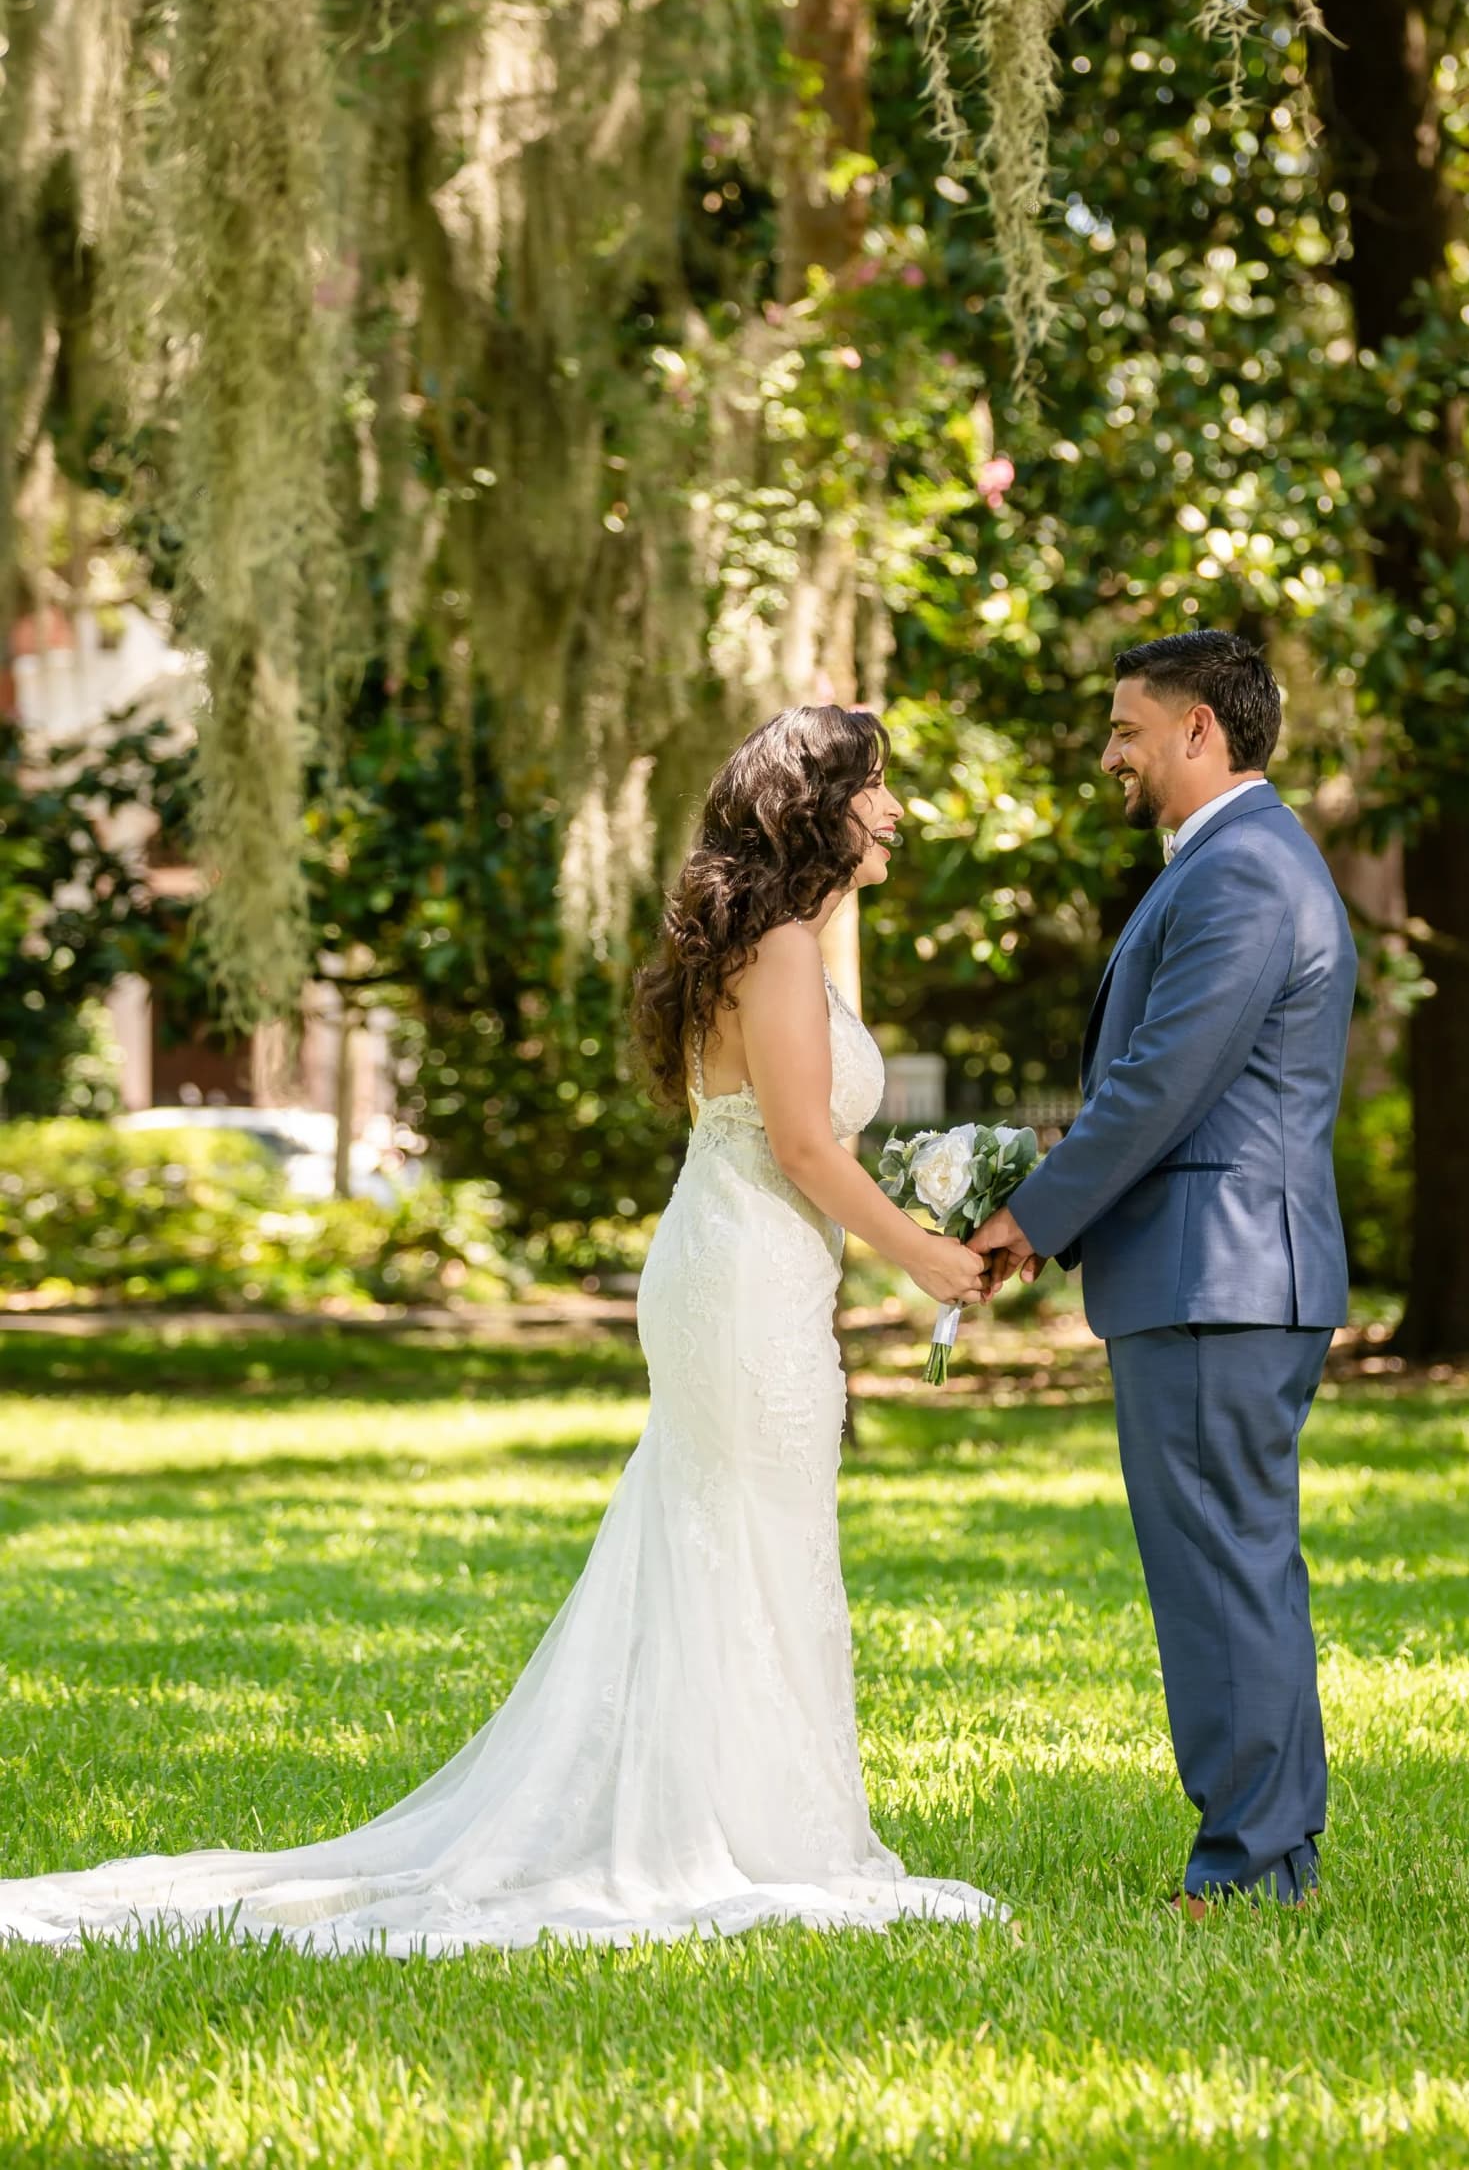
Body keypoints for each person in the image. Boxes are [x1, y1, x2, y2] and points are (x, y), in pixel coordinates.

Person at [0, 705, 997, 1954]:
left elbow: (805, 1138)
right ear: (821, 806)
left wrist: (918, 1218)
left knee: (738, 1529)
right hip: (741, 1275)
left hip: (736, 1263)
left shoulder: (761, 941)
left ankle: (760, 1813)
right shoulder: (786, 946)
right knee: (739, 1526)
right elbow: (802, 1144)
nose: (894, 812)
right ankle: (733, 1832)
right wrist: (926, 1261)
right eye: (878, 789)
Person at [972, 631, 1357, 1915]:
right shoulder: (1247, 862)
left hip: (1217, 1279)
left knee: (1217, 1570)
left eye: (1128, 730)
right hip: (1230, 1279)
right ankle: (1275, 1853)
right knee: (1242, 1562)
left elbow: (1159, 1085)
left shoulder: (1244, 871)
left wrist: (1031, 1215)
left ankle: (1246, 1868)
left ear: (1201, 730)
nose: (1110, 756)